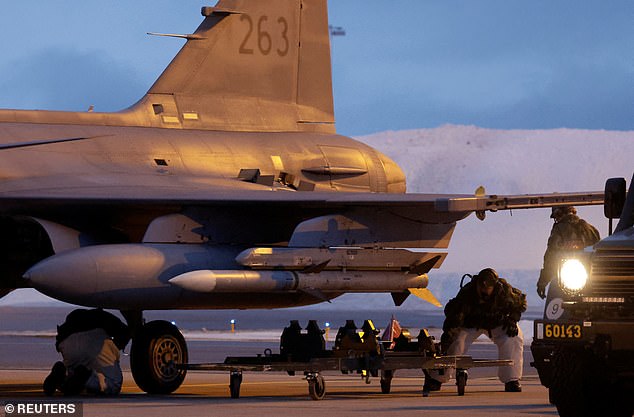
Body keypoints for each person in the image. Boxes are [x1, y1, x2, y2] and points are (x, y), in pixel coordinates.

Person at [425, 268, 527, 393]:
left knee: (513, 338)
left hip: (496, 323)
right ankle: (438, 378)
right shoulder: (467, 293)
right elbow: (455, 316)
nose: (484, 290)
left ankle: (512, 379)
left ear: (494, 286)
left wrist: (512, 319)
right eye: (481, 287)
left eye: (487, 287)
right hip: (471, 324)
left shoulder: (505, 291)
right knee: (456, 342)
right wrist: (448, 334)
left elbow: (520, 304)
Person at [43, 309, 130, 396]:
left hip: (67, 342)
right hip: (95, 340)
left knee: (75, 371)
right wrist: (113, 349)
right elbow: (124, 332)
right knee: (113, 385)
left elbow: (59, 343)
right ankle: (85, 378)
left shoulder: (74, 317)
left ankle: (63, 376)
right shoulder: (102, 316)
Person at [537, 206, 600, 319]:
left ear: (559, 214)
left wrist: (542, 283)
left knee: (565, 317)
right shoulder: (591, 230)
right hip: (593, 283)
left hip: (568, 283)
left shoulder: (559, 229)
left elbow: (551, 258)